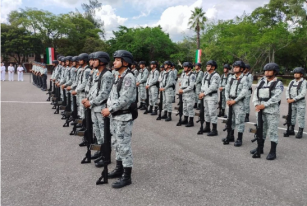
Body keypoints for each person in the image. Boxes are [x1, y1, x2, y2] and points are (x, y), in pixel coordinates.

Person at [101, 50, 136, 189]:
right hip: (115, 116)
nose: (114, 62)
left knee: (124, 146)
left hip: (123, 117)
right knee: (116, 143)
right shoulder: (119, 76)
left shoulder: (128, 77)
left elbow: (125, 99)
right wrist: (108, 107)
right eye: (114, 59)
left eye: (117, 60)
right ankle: (119, 168)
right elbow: (113, 95)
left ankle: (127, 176)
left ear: (125, 62)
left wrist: (110, 109)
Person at [82, 51, 114, 167]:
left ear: (102, 61)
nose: (92, 62)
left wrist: (91, 102)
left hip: (101, 108)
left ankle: (106, 156)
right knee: (98, 131)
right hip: (94, 107)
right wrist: (87, 99)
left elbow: (104, 94)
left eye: (95, 60)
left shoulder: (107, 75)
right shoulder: (97, 73)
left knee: (104, 132)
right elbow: (93, 90)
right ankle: (101, 151)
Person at [251, 63, 284, 160]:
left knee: (272, 131)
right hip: (260, 110)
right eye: (266, 70)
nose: (267, 72)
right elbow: (255, 94)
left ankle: (273, 151)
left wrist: (264, 105)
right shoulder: (261, 81)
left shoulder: (278, 83)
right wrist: (256, 104)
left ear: (275, 72)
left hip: (272, 111)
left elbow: (276, 97)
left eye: (269, 71)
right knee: (261, 129)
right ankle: (259, 148)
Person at [223, 61, 248, 146]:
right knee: (230, 120)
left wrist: (235, 100)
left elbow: (244, 91)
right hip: (230, 101)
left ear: (241, 69)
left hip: (238, 103)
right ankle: (230, 136)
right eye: (234, 67)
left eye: (237, 67)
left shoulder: (245, 78)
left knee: (239, 121)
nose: (235, 68)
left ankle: (239, 139)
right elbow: (227, 89)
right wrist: (227, 99)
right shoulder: (231, 78)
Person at [198, 60, 220, 136]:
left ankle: (214, 130)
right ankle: (207, 127)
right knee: (206, 112)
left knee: (212, 113)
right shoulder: (206, 74)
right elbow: (203, 84)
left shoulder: (216, 76)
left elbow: (213, 87)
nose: (207, 67)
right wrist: (201, 93)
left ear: (213, 67)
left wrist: (203, 93)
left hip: (211, 96)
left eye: (209, 66)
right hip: (205, 96)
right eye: (207, 66)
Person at [285, 67, 306, 139]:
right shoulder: (292, 82)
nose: (295, 74)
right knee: (292, 116)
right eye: (295, 73)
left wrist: (293, 99)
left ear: (301, 74)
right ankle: (292, 129)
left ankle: (300, 131)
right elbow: (287, 90)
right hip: (291, 102)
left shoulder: (304, 82)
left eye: (297, 73)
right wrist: (288, 98)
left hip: (300, 102)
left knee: (300, 117)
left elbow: (303, 93)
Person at [178, 62, 196, 127]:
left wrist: (183, 90)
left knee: (189, 107)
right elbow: (181, 83)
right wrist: (180, 89)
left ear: (189, 68)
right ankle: (185, 119)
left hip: (189, 94)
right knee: (184, 107)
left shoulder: (192, 75)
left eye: (186, 67)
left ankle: (191, 121)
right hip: (183, 94)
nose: (184, 68)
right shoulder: (183, 74)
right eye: (184, 67)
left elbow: (191, 87)